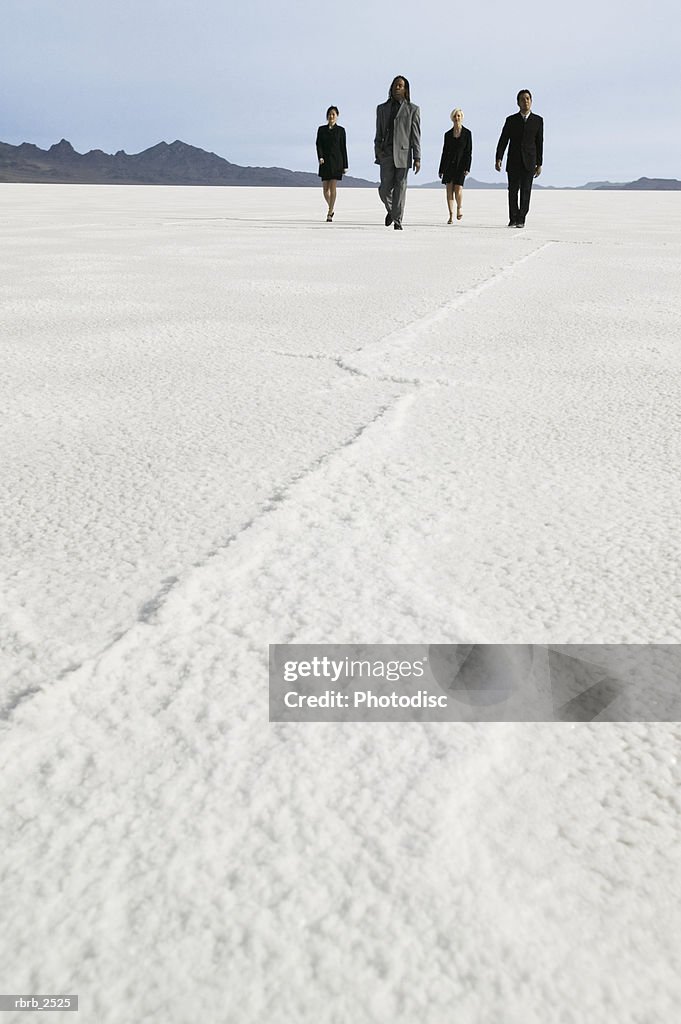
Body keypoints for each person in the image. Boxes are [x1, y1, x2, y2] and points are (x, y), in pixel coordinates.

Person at [374, 76, 421, 230]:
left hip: (403, 153)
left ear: (406, 89)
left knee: (400, 189)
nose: (398, 88)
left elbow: (415, 135)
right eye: (395, 85)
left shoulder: (412, 109)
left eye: (401, 86)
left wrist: (417, 157)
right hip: (386, 153)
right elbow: (378, 132)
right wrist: (378, 151)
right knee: (384, 190)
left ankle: (397, 221)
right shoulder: (382, 108)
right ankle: (393, 211)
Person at [495, 89, 543, 228]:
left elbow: (539, 142)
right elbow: (503, 140)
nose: (525, 101)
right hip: (514, 161)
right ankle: (513, 218)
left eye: (528, 98)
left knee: (526, 191)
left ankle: (521, 218)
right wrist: (499, 157)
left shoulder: (538, 121)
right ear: (518, 103)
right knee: (513, 191)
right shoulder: (511, 120)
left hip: (529, 161)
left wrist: (539, 163)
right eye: (522, 99)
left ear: (531, 101)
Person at [438, 108, 472, 223]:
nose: (457, 118)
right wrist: (441, 169)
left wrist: (467, 167)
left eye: (458, 116)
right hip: (448, 165)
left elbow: (468, 152)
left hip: (461, 165)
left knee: (458, 189)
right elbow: (444, 152)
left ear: (461, 117)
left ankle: (459, 208)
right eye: (455, 116)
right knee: (449, 191)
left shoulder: (467, 133)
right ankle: (451, 215)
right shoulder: (447, 134)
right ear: (452, 118)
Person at [316, 106, 348, 222]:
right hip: (324, 162)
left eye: (333, 114)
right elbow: (318, 144)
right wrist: (320, 157)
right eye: (329, 114)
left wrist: (345, 164)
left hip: (337, 162)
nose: (331, 116)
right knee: (325, 190)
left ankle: (329, 213)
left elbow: (343, 148)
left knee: (333, 188)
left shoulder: (341, 131)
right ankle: (332, 207)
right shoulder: (321, 129)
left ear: (337, 116)